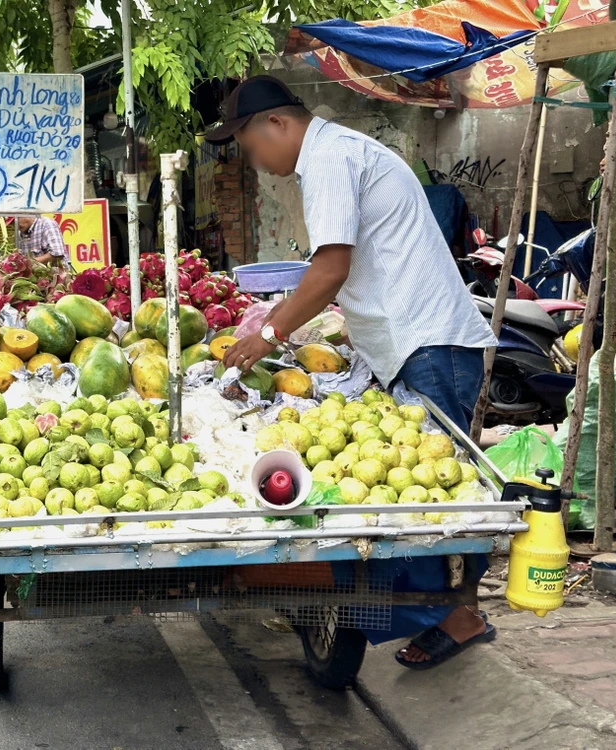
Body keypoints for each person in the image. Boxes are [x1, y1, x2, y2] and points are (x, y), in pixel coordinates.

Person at [205, 76, 498, 670]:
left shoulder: (329, 159)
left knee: (433, 498)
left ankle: (459, 616)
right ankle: (441, 611)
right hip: (415, 341)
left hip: (427, 342)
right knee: (422, 488)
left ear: (277, 124)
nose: (256, 163)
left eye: (251, 146)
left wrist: (268, 335)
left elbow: (330, 268)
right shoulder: (340, 151)